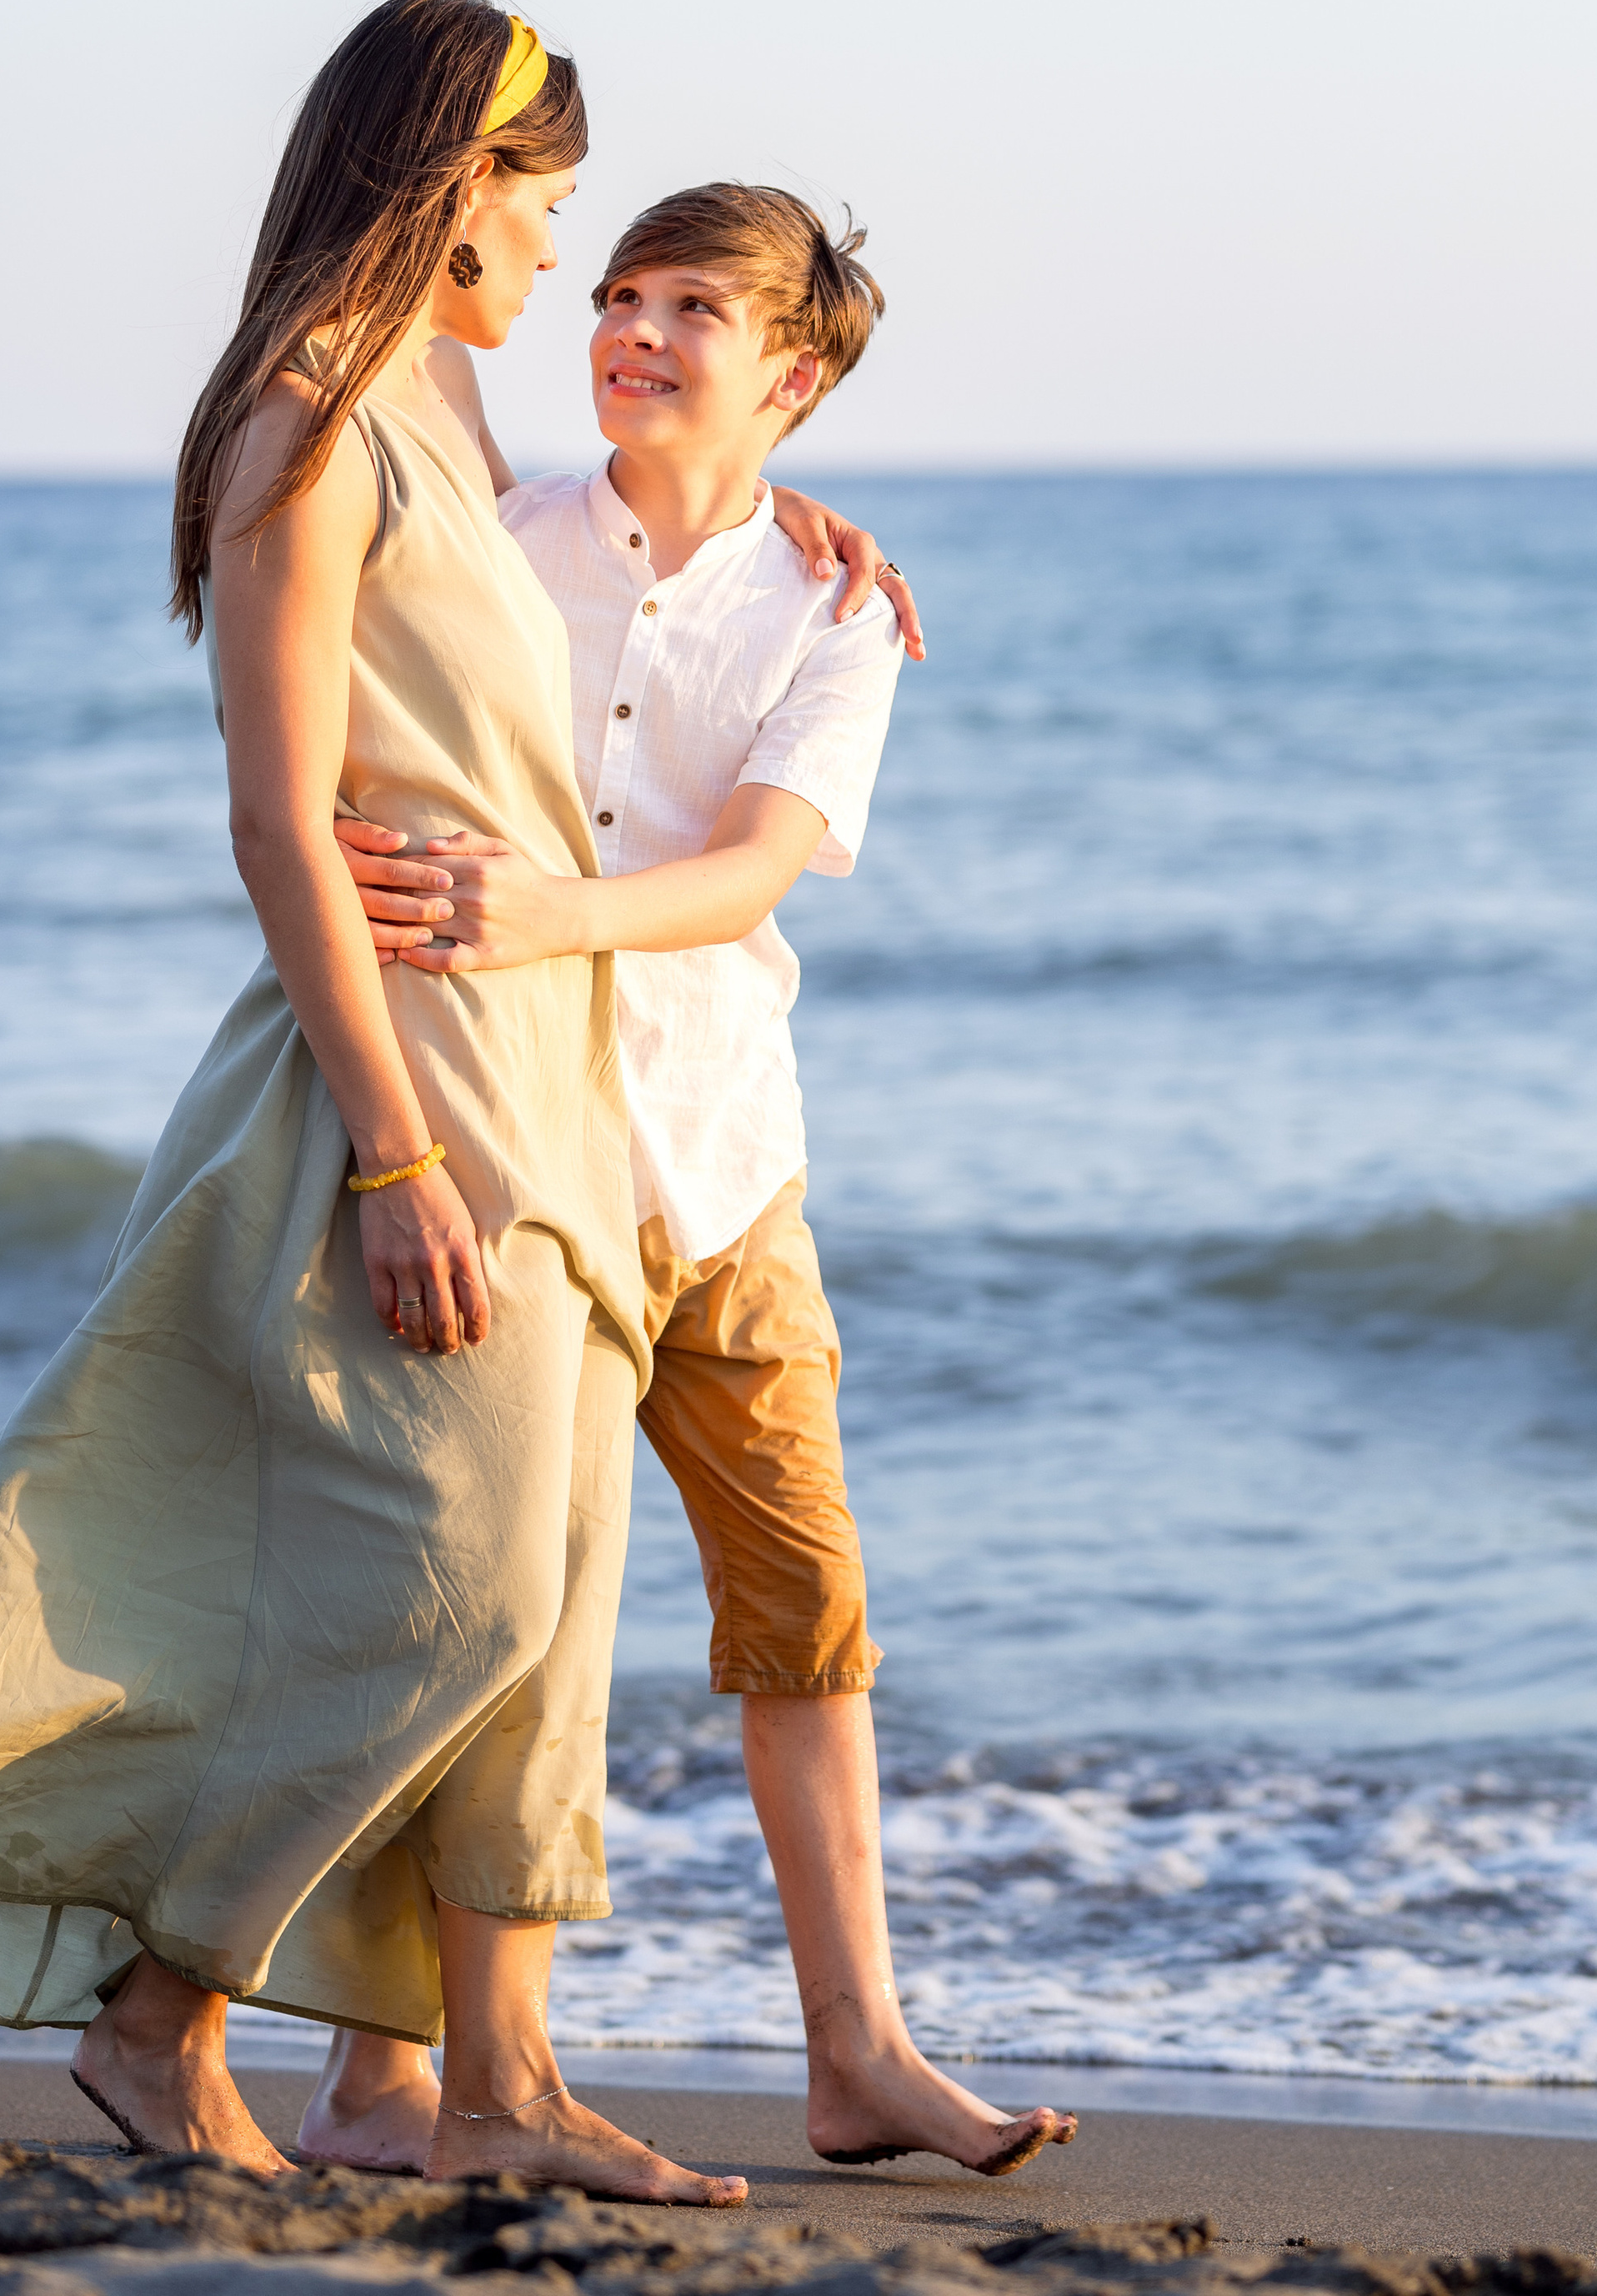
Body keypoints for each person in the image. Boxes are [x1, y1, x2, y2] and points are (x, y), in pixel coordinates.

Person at [0, 0, 753, 2202]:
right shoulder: (304, 425)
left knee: (560, 1592)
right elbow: (281, 819)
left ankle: (496, 2076)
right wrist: (398, 1146)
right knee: (466, 1583)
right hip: (397, 1078)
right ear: (454, 180)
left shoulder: (446, 408)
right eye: (548, 196)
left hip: (552, 1069)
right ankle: (157, 2014)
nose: (559, 248)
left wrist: (806, 551)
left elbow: (611, 592)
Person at [311, 186, 1075, 2181]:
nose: (630, 328)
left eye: (690, 310)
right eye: (620, 291)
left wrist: (546, 905)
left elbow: (750, 865)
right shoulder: (495, 545)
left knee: (804, 1611)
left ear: (793, 375)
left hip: (724, 1167)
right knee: (482, 1616)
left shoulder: (838, 605)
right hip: (510, 1157)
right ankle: (407, 2075)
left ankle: (859, 2055)